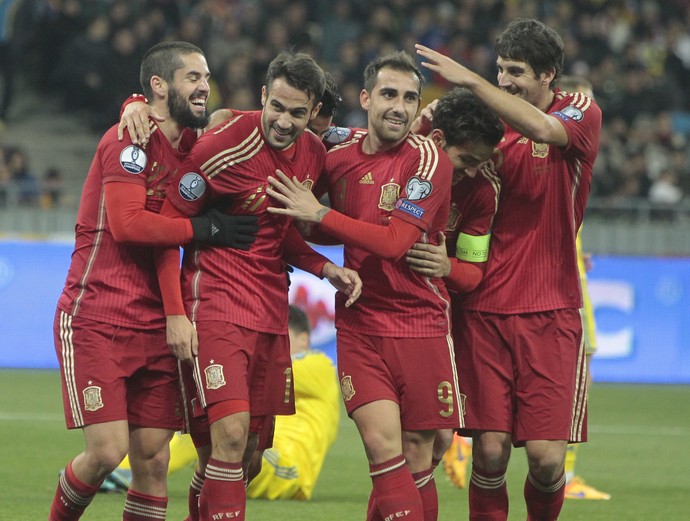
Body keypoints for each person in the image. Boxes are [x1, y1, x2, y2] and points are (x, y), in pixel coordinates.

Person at [48, 41, 261, 521]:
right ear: (160, 87)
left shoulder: (193, 149)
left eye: (206, 76)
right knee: (106, 452)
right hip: (97, 314)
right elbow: (129, 226)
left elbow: (245, 120)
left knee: (154, 460)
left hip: (158, 325)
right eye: (192, 77)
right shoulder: (128, 140)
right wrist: (205, 229)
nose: (204, 85)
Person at [153, 50, 361, 521]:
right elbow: (165, 229)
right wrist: (175, 312)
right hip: (217, 305)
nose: (284, 122)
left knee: (244, 457)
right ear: (264, 95)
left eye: (297, 113)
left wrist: (325, 269)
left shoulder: (313, 154)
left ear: (313, 114)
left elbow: (282, 231)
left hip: (271, 311)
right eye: (278, 107)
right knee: (227, 439)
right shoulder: (219, 148)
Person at [416, 17, 602, 521]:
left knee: (545, 461)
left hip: (551, 309)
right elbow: (418, 153)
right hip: (481, 308)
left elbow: (541, 127)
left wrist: (468, 80)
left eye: (516, 71)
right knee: (490, 452)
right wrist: (425, 118)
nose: (505, 81)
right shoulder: (485, 127)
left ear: (549, 74)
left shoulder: (577, 112)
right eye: (499, 70)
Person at [266, 50, 459, 521]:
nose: (399, 106)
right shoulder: (335, 151)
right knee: (381, 445)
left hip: (421, 321)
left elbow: (394, 242)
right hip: (362, 320)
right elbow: (261, 130)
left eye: (410, 98)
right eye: (389, 94)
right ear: (366, 98)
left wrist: (320, 215)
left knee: (421, 452)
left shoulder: (429, 161)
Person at [102, 305, 341, 501]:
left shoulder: (318, 364)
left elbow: (250, 370)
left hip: (286, 466)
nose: (268, 344)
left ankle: (123, 473)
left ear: (304, 339)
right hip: (269, 460)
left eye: (280, 337)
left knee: (210, 425)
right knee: (218, 427)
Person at [402, 87, 504, 490]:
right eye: (467, 160)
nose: (474, 170)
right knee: (407, 440)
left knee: (438, 438)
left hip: (434, 316)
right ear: (441, 141)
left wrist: (448, 266)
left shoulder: (481, 192)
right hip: (380, 310)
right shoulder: (407, 152)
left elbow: (473, 272)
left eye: (482, 162)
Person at [557, 74, 611, 501]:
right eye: (584, 105)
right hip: (564, 285)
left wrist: (580, 250)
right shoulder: (563, 149)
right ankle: (565, 475)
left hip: (569, 270)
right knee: (580, 370)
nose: (591, 115)